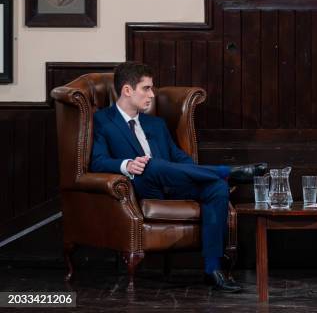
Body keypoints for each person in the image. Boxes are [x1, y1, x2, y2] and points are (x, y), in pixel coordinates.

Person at [90, 61, 267, 292]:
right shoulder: (103, 121)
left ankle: (212, 270)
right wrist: (127, 165)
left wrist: (197, 175)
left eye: (152, 89)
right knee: (150, 165)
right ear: (127, 90)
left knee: (216, 188)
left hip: (173, 184)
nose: (152, 95)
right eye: (146, 88)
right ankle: (227, 172)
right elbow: (97, 161)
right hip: (141, 187)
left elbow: (179, 159)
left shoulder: (156, 124)